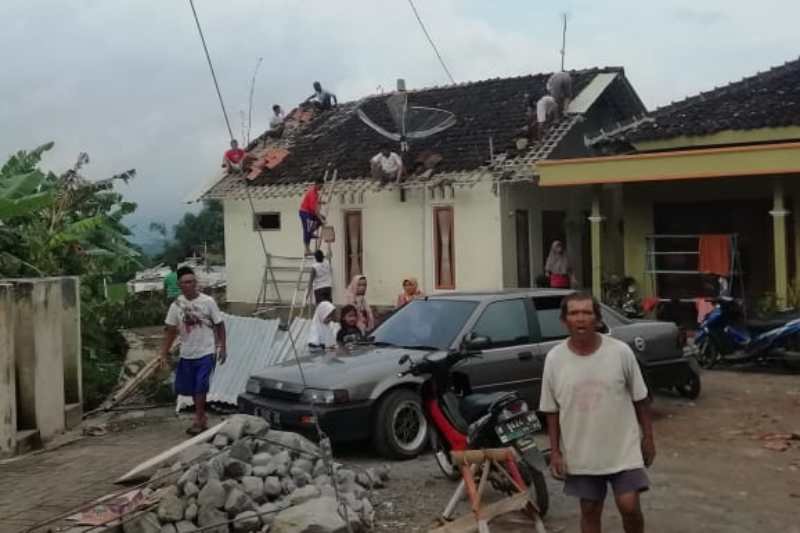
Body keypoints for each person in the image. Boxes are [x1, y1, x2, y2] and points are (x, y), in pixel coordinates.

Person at [539, 292, 654, 533]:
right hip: (581, 451)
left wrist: (648, 438)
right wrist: (556, 451)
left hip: (623, 448)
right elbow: (551, 410)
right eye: (573, 313)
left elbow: (641, 399)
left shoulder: (620, 352)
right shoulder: (554, 359)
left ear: (598, 319)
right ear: (564, 321)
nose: (580, 318)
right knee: (590, 508)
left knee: (629, 506)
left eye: (587, 312)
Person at [160, 266, 227, 435]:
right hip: (187, 353)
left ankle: (199, 419)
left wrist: (222, 346)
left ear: (195, 283)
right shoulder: (176, 305)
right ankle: (201, 416)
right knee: (186, 388)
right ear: (179, 285)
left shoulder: (208, 302)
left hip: (206, 351)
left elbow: (219, 325)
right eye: (184, 283)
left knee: (200, 386)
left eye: (191, 282)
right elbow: (170, 330)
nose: (188, 285)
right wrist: (164, 353)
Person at [299, 177, 325, 255]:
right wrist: (321, 218)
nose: (321, 188)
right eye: (320, 186)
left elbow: (315, 203)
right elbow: (315, 210)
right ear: (316, 184)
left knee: (319, 222)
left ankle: (311, 232)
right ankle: (307, 249)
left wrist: (321, 202)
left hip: (310, 213)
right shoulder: (312, 193)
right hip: (305, 212)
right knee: (307, 229)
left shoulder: (316, 192)